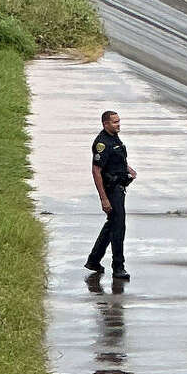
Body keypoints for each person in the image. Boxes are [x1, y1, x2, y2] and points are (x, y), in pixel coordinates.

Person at [86, 108, 137, 280]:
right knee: (118, 228)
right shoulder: (102, 143)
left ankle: (94, 260)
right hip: (111, 190)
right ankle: (118, 267)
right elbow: (96, 170)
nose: (118, 125)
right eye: (115, 122)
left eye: (119, 121)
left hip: (119, 187)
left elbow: (117, 159)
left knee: (112, 226)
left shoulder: (114, 138)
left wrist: (128, 169)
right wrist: (104, 199)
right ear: (105, 123)